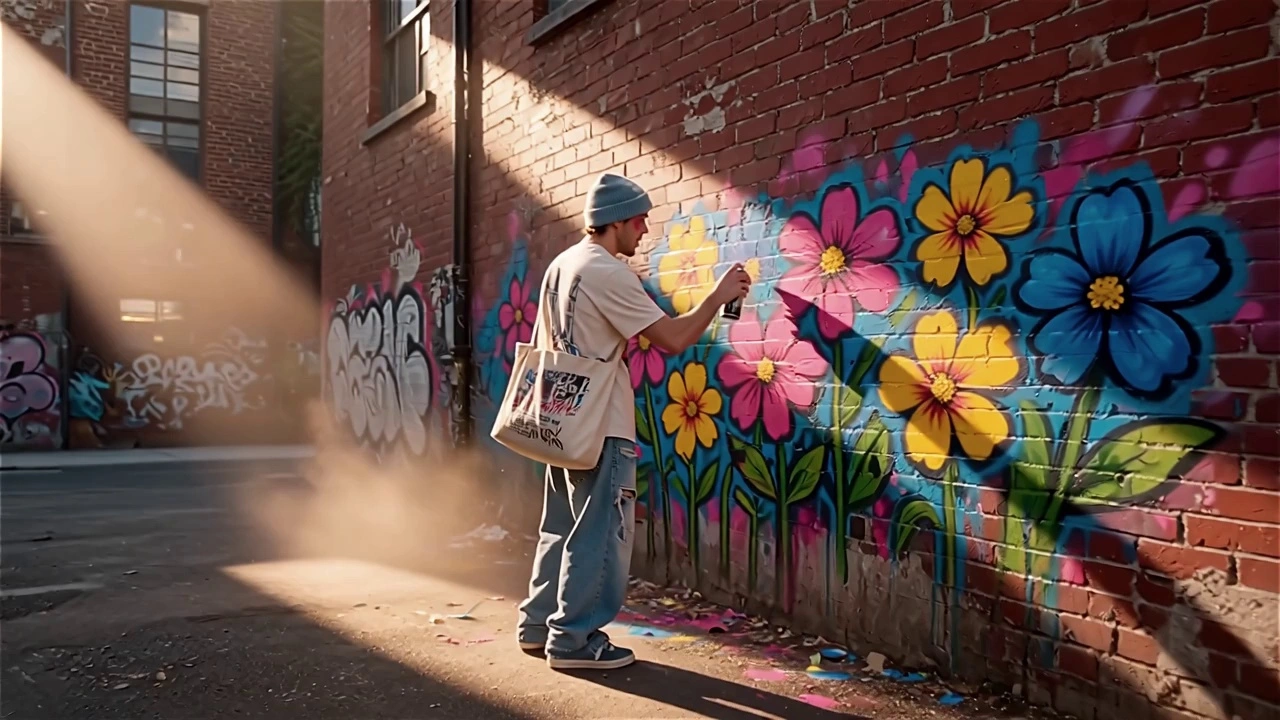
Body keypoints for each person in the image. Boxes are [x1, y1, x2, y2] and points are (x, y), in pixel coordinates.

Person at [515, 173, 751, 670]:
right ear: (616, 221)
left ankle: (538, 626)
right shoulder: (608, 272)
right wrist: (717, 296)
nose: (645, 230)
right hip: (602, 423)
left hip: (561, 418)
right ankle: (574, 640)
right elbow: (673, 339)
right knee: (600, 533)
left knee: (561, 526)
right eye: (640, 220)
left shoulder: (562, 264)